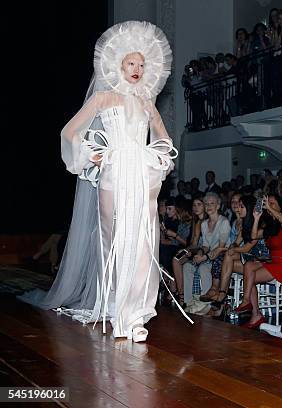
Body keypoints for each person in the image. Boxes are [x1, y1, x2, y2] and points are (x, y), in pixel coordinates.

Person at [19, 21, 184, 342]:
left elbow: (164, 139)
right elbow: (69, 132)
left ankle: (135, 315)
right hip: (113, 173)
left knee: (142, 245)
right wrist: (91, 153)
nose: (137, 69)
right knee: (114, 243)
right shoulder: (104, 99)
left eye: (141, 64)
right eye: (131, 63)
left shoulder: (147, 102)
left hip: (141, 174)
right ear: (118, 64)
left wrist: (161, 158)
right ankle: (114, 305)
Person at [233, 194, 282, 328]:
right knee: (248, 266)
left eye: (272, 203)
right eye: (268, 203)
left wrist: (270, 208)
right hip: (273, 262)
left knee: (250, 277)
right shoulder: (270, 227)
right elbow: (254, 236)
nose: (269, 206)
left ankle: (253, 311)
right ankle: (252, 309)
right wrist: (256, 218)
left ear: (280, 206)